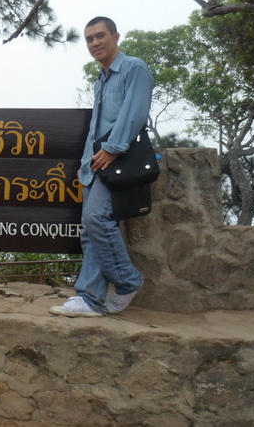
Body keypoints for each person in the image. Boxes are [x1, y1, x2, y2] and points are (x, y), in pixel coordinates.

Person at [49, 17, 154, 317]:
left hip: (116, 161)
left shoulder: (134, 68)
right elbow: (96, 126)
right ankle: (91, 300)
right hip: (96, 164)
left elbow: (134, 113)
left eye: (100, 36)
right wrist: (87, 163)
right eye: (89, 39)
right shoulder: (100, 80)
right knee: (90, 230)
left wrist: (113, 148)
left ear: (116, 36)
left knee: (97, 219)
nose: (94, 43)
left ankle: (128, 281)